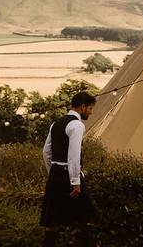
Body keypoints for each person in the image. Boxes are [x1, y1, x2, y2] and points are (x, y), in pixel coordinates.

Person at [40, 91, 99, 247]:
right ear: (82, 107)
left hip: (55, 174)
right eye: (90, 109)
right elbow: (74, 155)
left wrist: (52, 172)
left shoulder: (56, 123)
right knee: (87, 218)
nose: (91, 113)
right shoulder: (77, 125)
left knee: (52, 222)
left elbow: (46, 152)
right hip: (70, 176)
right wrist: (75, 181)